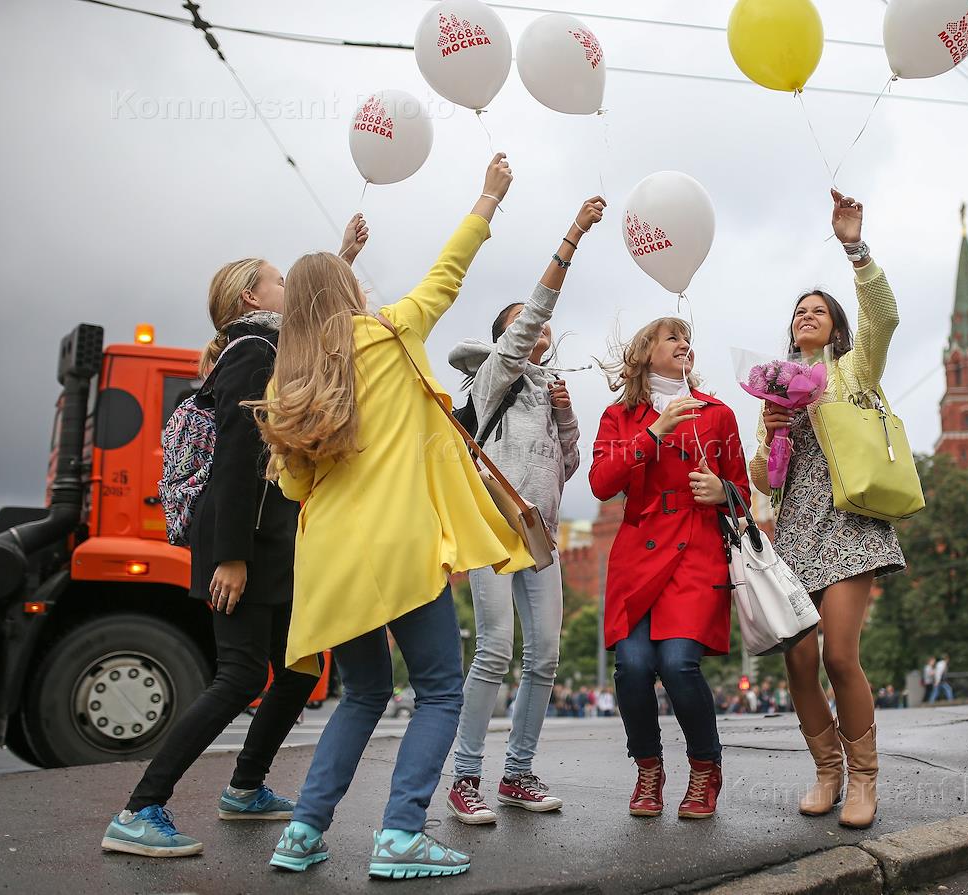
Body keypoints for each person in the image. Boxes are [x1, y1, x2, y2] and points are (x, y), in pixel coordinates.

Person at [254, 154, 532, 881]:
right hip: (404, 542)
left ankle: (303, 830)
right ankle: (402, 831)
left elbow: (292, 487)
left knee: (366, 692)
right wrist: (488, 197)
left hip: (331, 558)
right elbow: (449, 271)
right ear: (351, 292)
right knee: (441, 686)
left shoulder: (291, 378)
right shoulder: (393, 331)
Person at [101, 216, 368, 859]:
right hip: (243, 549)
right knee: (241, 673)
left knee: (300, 667)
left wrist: (343, 258)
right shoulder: (251, 354)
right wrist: (232, 559)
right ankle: (139, 810)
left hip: (269, 548)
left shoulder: (268, 348)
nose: (288, 285)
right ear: (251, 298)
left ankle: (245, 788)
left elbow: (311, 312)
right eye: (279, 279)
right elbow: (235, 457)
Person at [750, 189, 906, 830]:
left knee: (841, 655)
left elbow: (886, 316)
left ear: (835, 327)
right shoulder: (774, 386)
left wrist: (855, 246)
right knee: (798, 660)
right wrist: (771, 431)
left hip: (848, 523)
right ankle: (825, 771)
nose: (805, 315)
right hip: (794, 529)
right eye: (798, 310)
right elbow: (764, 477)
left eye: (817, 310)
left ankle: (864, 780)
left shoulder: (853, 369)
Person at [445, 196, 604, 825]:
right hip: (492, 531)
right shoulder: (493, 380)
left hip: (539, 536)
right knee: (493, 650)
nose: (540, 333)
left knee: (543, 656)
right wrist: (571, 235)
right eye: (526, 328)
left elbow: (567, 470)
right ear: (507, 341)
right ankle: (464, 777)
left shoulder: (547, 391)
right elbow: (536, 310)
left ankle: (517, 773)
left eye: (540, 331)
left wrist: (566, 417)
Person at [589, 317, 750, 820]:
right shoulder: (620, 416)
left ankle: (705, 767)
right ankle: (649, 768)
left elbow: (742, 492)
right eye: (672, 337)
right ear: (645, 352)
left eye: (688, 338)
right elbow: (599, 482)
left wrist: (721, 492)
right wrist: (655, 431)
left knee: (679, 663)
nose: (684, 344)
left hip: (696, 553)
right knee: (633, 667)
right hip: (638, 556)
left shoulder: (718, 414)